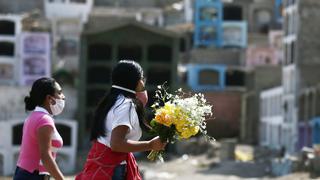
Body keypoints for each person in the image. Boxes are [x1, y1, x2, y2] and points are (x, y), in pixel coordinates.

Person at [76, 60, 166, 180]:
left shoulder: (113, 100)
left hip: (104, 162)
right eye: (142, 78)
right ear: (138, 82)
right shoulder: (126, 105)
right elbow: (117, 144)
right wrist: (150, 145)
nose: (143, 82)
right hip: (111, 168)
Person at [13, 77, 65, 180]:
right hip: (32, 176)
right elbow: (46, 157)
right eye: (59, 93)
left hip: (26, 174)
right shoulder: (44, 120)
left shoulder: (34, 116)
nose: (63, 97)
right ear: (49, 98)